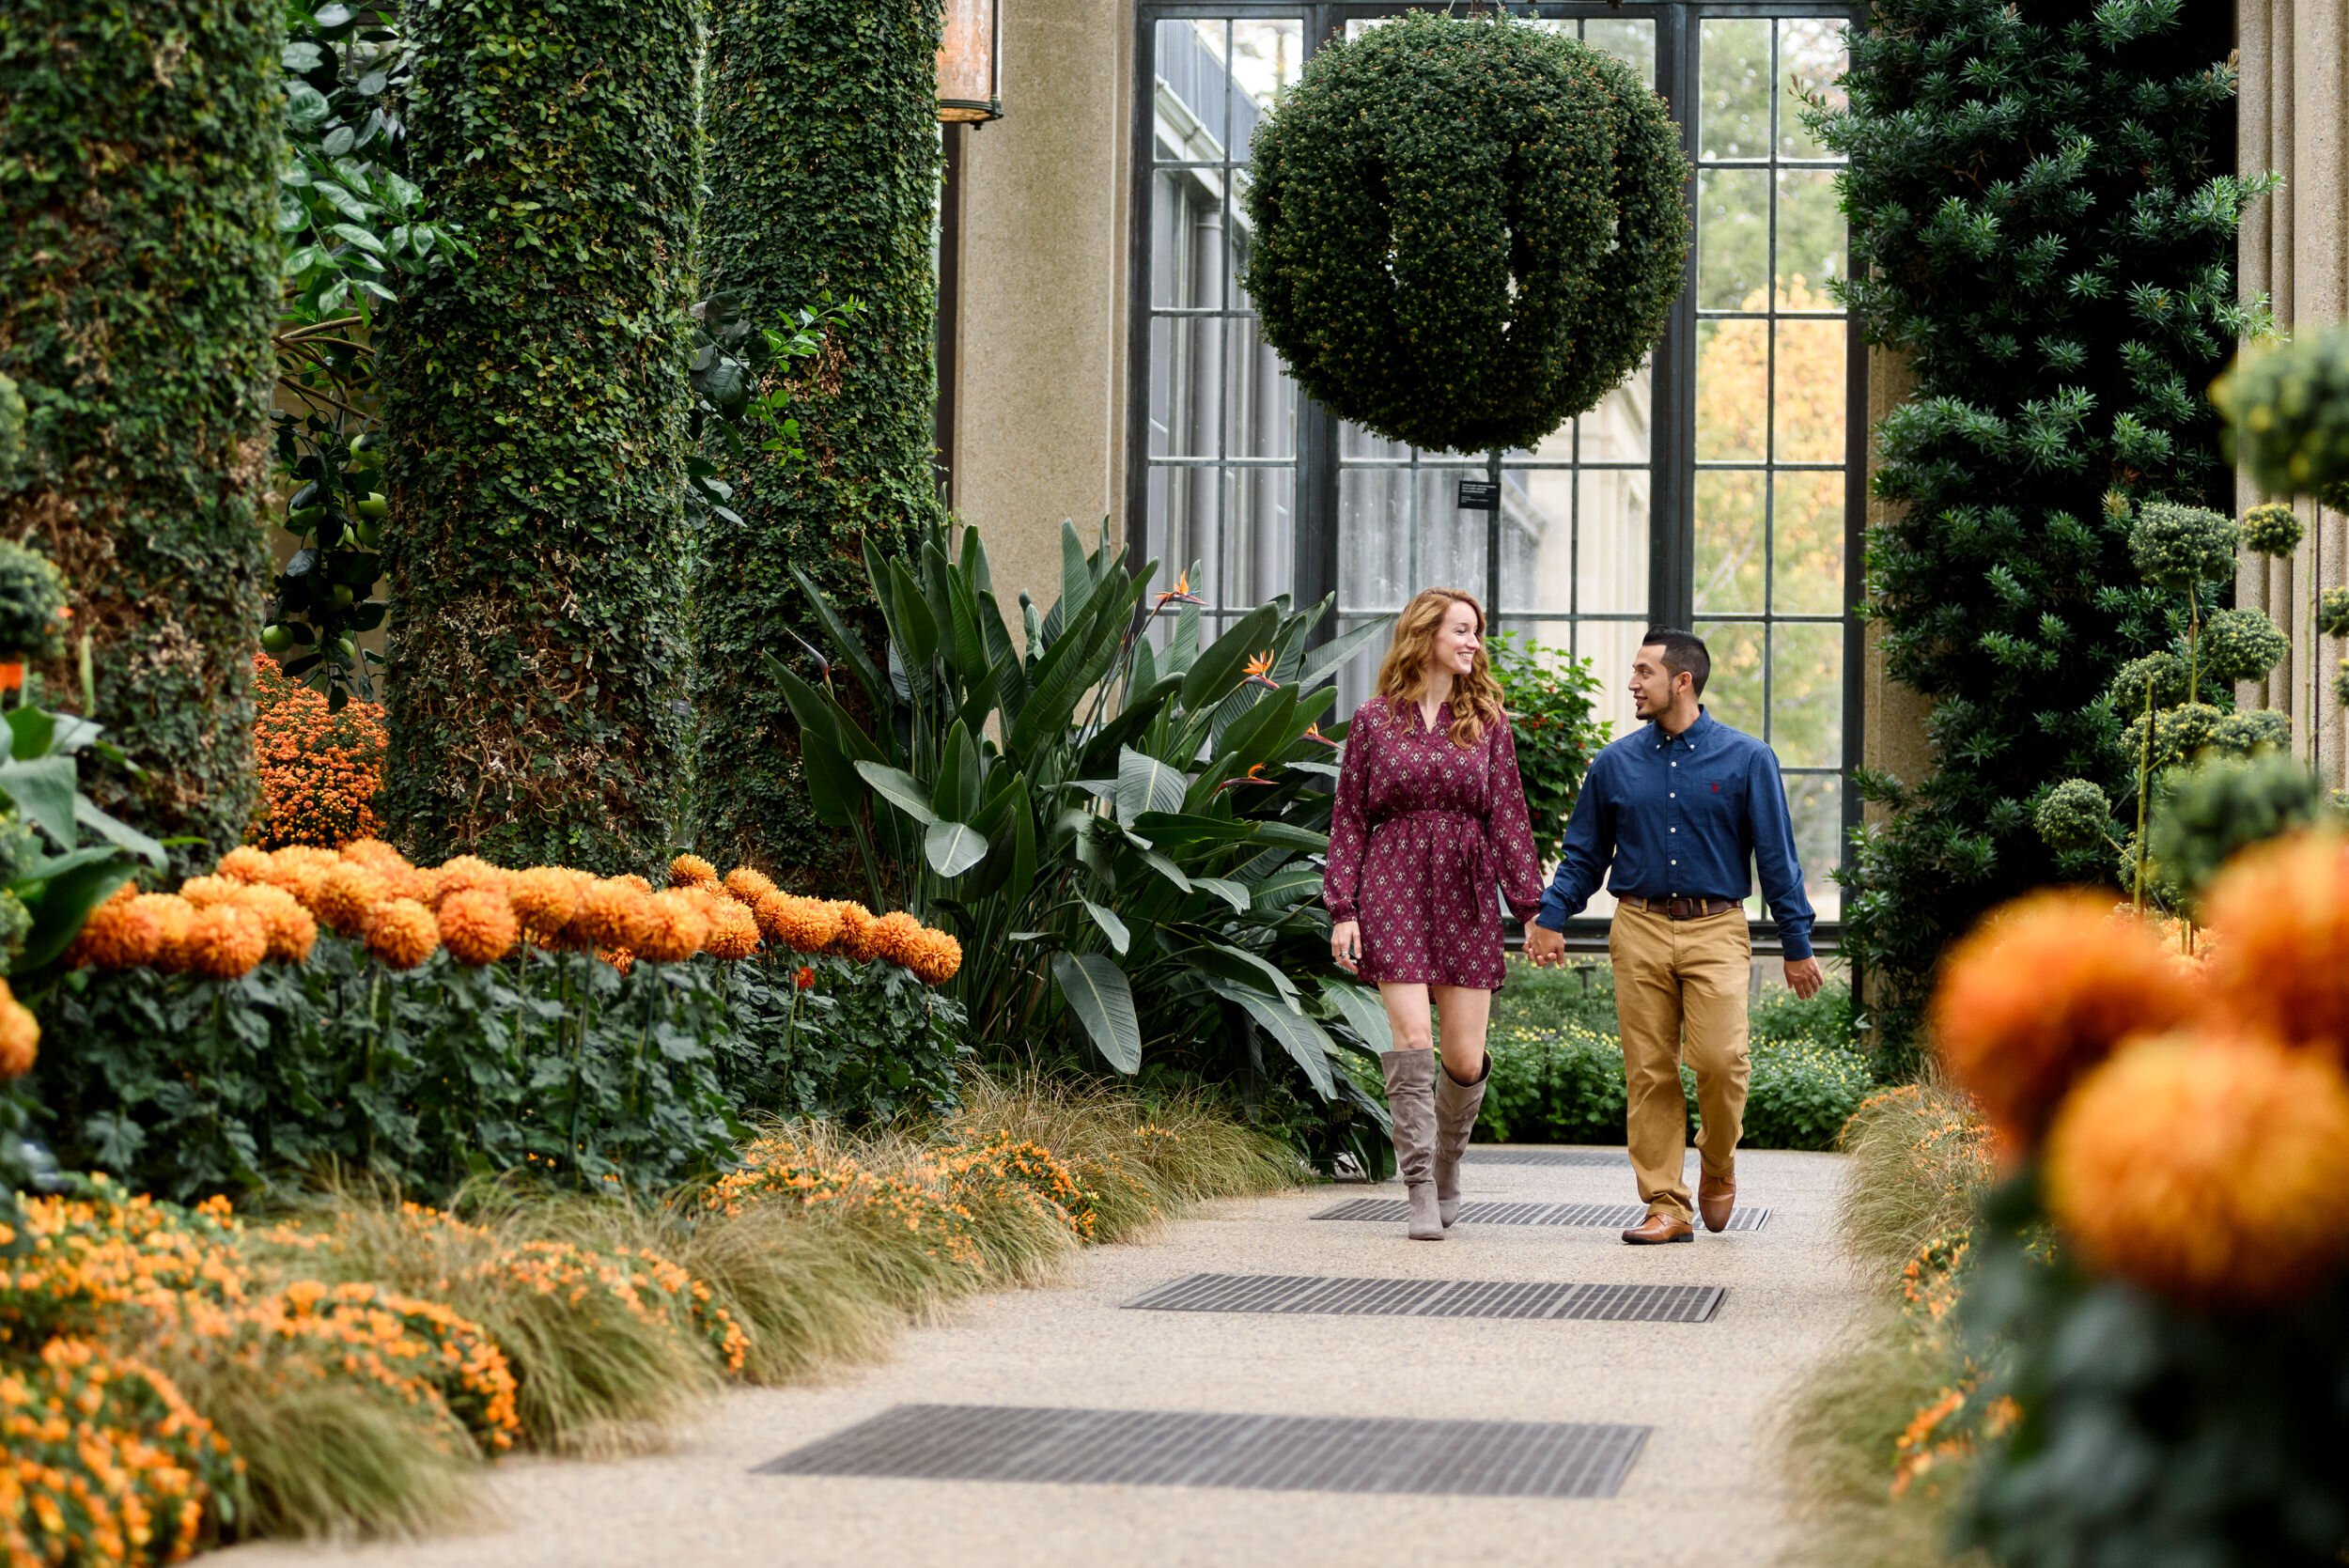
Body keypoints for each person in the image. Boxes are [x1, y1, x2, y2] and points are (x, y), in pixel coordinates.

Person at [1523, 628, 1824, 1246]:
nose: (1632, 682)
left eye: (1643, 672)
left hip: (1717, 927)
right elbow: (1583, 855)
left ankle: (1718, 1160)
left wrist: (1796, 943)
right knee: (1650, 1072)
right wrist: (1552, 915)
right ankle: (1666, 1202)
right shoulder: (1614, 764)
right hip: (1636, 925)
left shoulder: (1748, 759)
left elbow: (1777, 859)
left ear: (1681, 680)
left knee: (1721, 1061)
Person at [1323, 588, 1545, 1240]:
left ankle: (1449, 1161)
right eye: (1462, 630)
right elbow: (1349, 820)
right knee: (1412, 1039)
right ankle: (1419, 1184)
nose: (1474, 642)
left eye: (1477, 632)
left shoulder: (1489, 723)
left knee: (1464, 1056)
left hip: (1466, 891)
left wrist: (1531, 908)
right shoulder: (1371, 721)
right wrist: (1344, 908)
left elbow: (1509, 819)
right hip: (1391, 886)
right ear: (1425, 634)